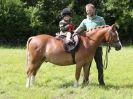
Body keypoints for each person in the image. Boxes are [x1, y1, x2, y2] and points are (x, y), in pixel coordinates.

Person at [74, 3, 106, 85]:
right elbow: (79, 29)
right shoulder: (85, 21)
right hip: (88, 48)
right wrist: (73, 33)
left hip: (98, 47)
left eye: (90, 10)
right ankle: (85, 81)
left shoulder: (100, 19)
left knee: (99, 65)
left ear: (94, 10)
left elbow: (105, 31)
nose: (88, 12)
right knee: (87, 65)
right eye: (87, 11)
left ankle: (101, 82)